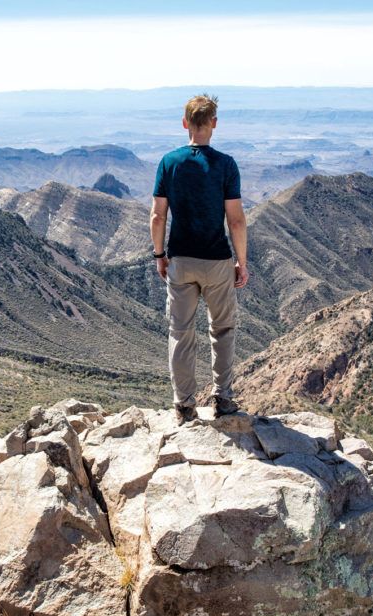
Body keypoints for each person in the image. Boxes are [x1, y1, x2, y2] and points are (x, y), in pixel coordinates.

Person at [150, 93, 248, 423]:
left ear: (185, 123)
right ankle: (223, 399)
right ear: (214, 124)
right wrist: (241, 262)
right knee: (222, 331)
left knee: (181, 333)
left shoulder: (169, 162)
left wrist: (159, 254)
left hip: (181, 260)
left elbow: (157, 216)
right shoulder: (225, 165)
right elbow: (235, 219)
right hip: (217, 260)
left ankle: (184, 405)